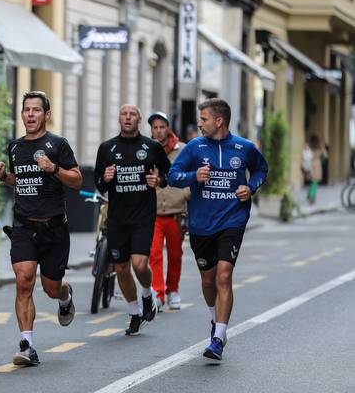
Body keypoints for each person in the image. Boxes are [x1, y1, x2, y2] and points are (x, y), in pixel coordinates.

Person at [168, 98, 268, 360]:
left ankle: (218, 337)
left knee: (224, 275)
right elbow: (172, 176)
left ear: (219, 121)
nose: (199, 124)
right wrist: (193, 177)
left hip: (232, 219)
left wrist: (251, 187)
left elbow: (261, 169)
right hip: (201, 223)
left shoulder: (244, 148)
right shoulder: (194, 147)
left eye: (204, 119)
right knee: (207, 280)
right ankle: (215, 320)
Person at [0, 91, 82, 366]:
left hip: (53, 229)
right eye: (26, 110)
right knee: (23, 280)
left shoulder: (58, 144)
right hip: (24, 226)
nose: (30, 115)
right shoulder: (15, 147)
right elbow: (22, 182)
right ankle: (27, 345)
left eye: (36, 110)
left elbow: (76, 179)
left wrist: (53, 168)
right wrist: (4, 176)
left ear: (47, 115)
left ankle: (65, 296)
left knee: (51, 288)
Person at [94, 104, 171, 336]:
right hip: (117, 217)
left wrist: (158, 180)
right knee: (121, 269)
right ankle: (134, 312)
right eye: (124, 114)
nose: (128, 118)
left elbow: (167, 175)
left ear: (138, 119)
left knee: (139, 264)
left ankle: (147, 294)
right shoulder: (107, 148)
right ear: (119, 118)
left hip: (143, 216)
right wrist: (106, 179)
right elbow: (98, 182)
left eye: (132, 114)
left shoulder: (152, 146)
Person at [148, 112, 190, 311]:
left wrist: (186, 196)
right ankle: (158, 292)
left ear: (168, 128)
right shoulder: (146, 149)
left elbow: (190, 174)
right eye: (154, 127)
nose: (158, 131)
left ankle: (173, 290)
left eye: (161, 127)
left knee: (175, 255)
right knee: (154, 254)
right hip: (153, 212)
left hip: (175, 211)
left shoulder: (182, 150)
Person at [307, 134, 326, 204]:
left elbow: (306, 155)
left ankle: (310, 195)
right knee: (315, 182)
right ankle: (312, 197)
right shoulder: (320, 147)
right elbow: (325, 155)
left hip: (311, 164)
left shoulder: (309, 146)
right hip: (317, 164)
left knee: (312, 181)